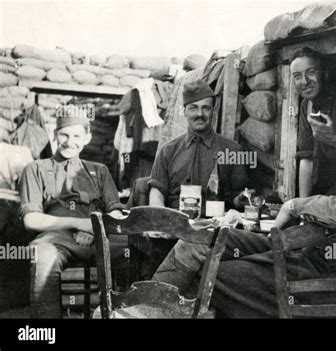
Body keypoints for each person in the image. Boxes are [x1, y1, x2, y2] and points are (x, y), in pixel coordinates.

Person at [151, 67, 336, 318]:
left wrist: (297, 205)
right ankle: (144, 307)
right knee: (201, 239)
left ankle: (153, 310)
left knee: (214, 273)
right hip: (310, 255)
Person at [20, 115, 124, 318]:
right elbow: (30, 220)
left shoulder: (100, 171)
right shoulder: (35, 169)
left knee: (132, 250)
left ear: (87, 138)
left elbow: (116, 212)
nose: (70, 141)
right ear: (54, 135)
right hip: (57, 239)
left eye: (77, 135)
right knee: (42, 255)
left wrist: (95, 231)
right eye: (64, 135)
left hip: (100, 238)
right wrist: (81, 224)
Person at [148, 79, 250, 212]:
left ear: (213, 112)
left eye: (205, 108)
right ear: (184, 111)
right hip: (177, 224)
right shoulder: (168, 150)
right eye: (193, 108)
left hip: (216, 224)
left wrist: (241, 199)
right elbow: (157, 193)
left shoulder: (233, 150)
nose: (199, 114)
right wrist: (162, 223)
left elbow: (238, 199)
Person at [290, 47, 336, 196]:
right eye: (297, 76)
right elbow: (307, 159)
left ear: (325, 73)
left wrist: (334, 140)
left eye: (311, 72)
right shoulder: (306, 106)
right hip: (333, 192)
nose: (305, 81)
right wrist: (304, 206)